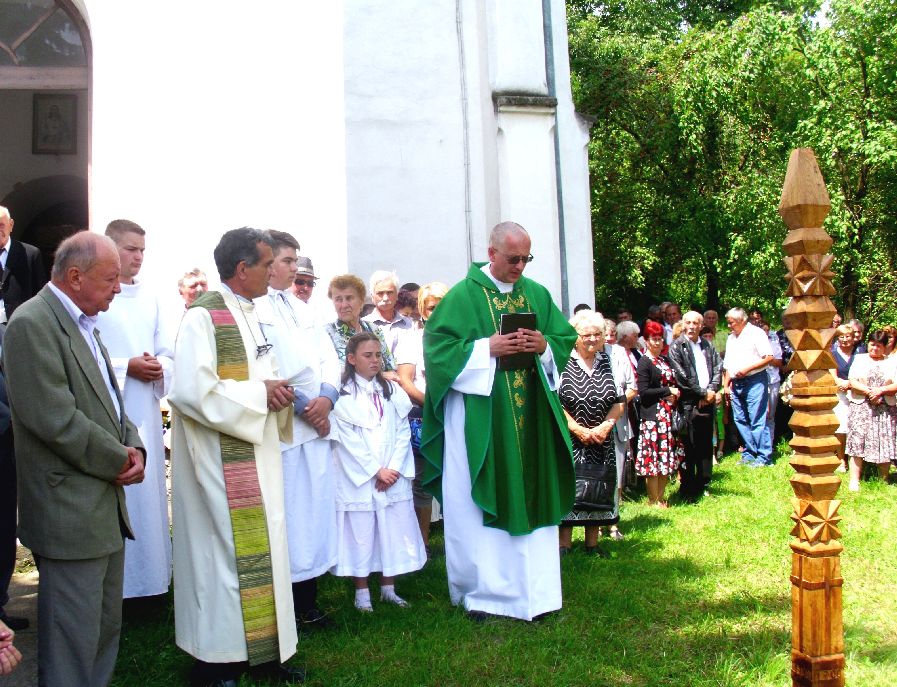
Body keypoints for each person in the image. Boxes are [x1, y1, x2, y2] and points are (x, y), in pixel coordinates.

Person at [3, 231, 146, 687]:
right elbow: (53, 418)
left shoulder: (85, 322)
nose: (118, 289)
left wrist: (137, 446)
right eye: (111, 279)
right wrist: (119, 459)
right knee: (71, 641)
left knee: (103, 632)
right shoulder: (31, 324)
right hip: (68, 512)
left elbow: (111, 400)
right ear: (75, 276)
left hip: (102, 507)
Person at [421, 221, 577, 621]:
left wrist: (544, 346)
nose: (520, 266)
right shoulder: (462, 297)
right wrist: (484, 349)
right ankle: (481, 595)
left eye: (526, 258)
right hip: (482, 416)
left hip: (530, 419)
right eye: (513, 259)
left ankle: (535, 592)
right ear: (491, 254)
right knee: (477, 501)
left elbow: (562, 340)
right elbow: (438, 352)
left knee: (530, 492)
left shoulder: (536, 293)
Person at [168, 228, 302, 686]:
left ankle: (266, 653)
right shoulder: (203, 317)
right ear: (243, 269)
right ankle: (218, 661)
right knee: (222, 556)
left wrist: (275, 389)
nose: (274, 272)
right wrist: (259, 393)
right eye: (268, 265)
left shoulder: (250, 311)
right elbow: (190, 390)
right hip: (219, 459)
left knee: (267, 546)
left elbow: (256, 371)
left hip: (255, 450)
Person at [255, 231, 340, 631]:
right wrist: (307, 406)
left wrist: (327, 396)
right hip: (284, 425)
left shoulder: (301, 307)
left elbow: (328, 356)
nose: (295, 268)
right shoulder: (253, 309)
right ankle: (280, 606)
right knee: (285, 515)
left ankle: (308, 600)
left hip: (316, 423)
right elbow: (265, 368)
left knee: (311, 515)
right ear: (267, 262)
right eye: (288, 260)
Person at [97, 220, 174, 602]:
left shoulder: (153, 297)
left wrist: (160, 365)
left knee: (149, 497)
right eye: (130, 249)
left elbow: (168, 350)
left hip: (145, 405)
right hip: (110, 410)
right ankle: (119, 588)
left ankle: (152, 583)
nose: (138, 256)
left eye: (142, 249)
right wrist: (128, 366)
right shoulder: (98, 296)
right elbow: (84, 352)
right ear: (111, 248)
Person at [331, 333, 426, 611]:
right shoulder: (343, 393)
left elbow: (401, 430)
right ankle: (362, 592)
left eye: (378, 355)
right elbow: (348, 440)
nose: (374, 360)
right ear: (352, 359)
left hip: (391, 473)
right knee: (361, 532)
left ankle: (388, 587)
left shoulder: (392, 389)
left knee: (391, 528)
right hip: (361, 476)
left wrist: (393, 468)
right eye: (367, 355)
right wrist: (375, 471)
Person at [558, 311, 625, 555]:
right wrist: (577, 429)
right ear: (575, 336)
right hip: (570, 437)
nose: (592, 339)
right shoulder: (563, 360)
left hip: (601, 437)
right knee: (569, 486)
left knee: (599, 485)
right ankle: (563, 544)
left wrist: (606, 426)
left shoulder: (608, 360)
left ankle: (592, 544)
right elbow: (555, 402)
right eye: (587, 334)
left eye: (598, 334)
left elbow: (619, 400)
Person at [395, 281, 449, 552]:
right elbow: (405, 380)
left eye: (442, 306)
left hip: (456, 416)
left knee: (456, 480)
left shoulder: (460, 341)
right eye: (431, 307)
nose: (437, 312)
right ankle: (422, 546)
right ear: (423, 310)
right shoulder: (412, 339)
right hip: (424, 416)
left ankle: (459, 542)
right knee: (422, 482)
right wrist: (434, 406)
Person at [668, 311, 723, 502]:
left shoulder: (707, 345)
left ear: (701, 326)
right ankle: (688, 488)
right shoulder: (676, 346)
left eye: (695, 323)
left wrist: (710, 392)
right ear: (683, 324)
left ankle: (704, 484)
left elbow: (718, 369)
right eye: (688, 322)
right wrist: (701, 393)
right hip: (689, 404)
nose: (691, 326)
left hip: (706, 403)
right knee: (689, 446)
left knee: (705, 445)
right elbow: (681, 377)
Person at [636, 320, 683, 506]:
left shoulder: (664, 360)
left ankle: (662, 499)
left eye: (660, 339)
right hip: (652, 418)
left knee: (664, 457)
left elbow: (672, 385)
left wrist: (673, 395)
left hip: (667, 416)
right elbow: (644, 392)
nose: (657, 342)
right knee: (652, 460)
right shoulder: (644, 362)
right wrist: (667, 392)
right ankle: (653, 500)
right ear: (646, 341)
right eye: (653, 339)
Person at [845, 330, 897, 491]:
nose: (875, 348)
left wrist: (880, 391)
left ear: (885, 347)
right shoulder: (860, 359)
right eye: (872, 344)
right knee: (858, 441)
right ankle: (854, 480)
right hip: (861, 406)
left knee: (884, 441)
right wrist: (870, 391)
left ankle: (884, 479)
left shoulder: (892, 361)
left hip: (884, 407)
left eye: (879, 346)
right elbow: (852, 381)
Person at [722, 307, 774, 467]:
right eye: (728, 323)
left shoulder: (756, 333)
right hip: (736, 382)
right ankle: (750, 453)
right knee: (740, 418)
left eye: (731, 323)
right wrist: (726, 385)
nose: (729, 326)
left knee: (757, 417)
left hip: (754, 380)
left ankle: (764, 457)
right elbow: (728, 364)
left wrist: (747, 369)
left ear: (742, 321)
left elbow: (769, 357)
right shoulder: (731, 338)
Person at [603, 317, 636, 538]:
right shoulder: (584, 354)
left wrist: (616, 408)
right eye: (601, 334)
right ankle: (594, 521)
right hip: (592, 423)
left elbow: (632, 387)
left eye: (608, 334)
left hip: (618, 423)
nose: (605, 338)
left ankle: (613, 522)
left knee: (616, 473)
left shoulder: (618, 354)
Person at [325, 274, 396, 373]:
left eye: (349, 298)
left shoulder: (374, 329)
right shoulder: (326, 333)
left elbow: (391, 367)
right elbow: (330, 373)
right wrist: (381, 376)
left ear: (362, 301)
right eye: (338, 299)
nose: (344, 305)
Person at [0, 206, 47, 324]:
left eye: (1, 225)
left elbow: (41, 294)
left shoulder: (30, 254)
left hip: (20, 325)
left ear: (11, 225)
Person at [362, 270, 413, 358]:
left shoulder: (409, 325)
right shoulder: (363, 326)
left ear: (397, 295)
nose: (385, 298)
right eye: (380, 293)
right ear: (372, 296)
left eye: (389, 293)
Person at [831, 323, 858, 473]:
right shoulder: (833, 353)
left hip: (858, 393)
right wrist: (842, 383)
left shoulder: (860, 352)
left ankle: (856, 459)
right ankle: (841, 459)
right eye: (841, 336)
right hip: (840, 393)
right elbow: (833, 375)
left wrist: (851, 383)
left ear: (853, 337)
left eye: (848, 336)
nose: (845, 339)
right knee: (841, 428)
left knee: (855, 428)